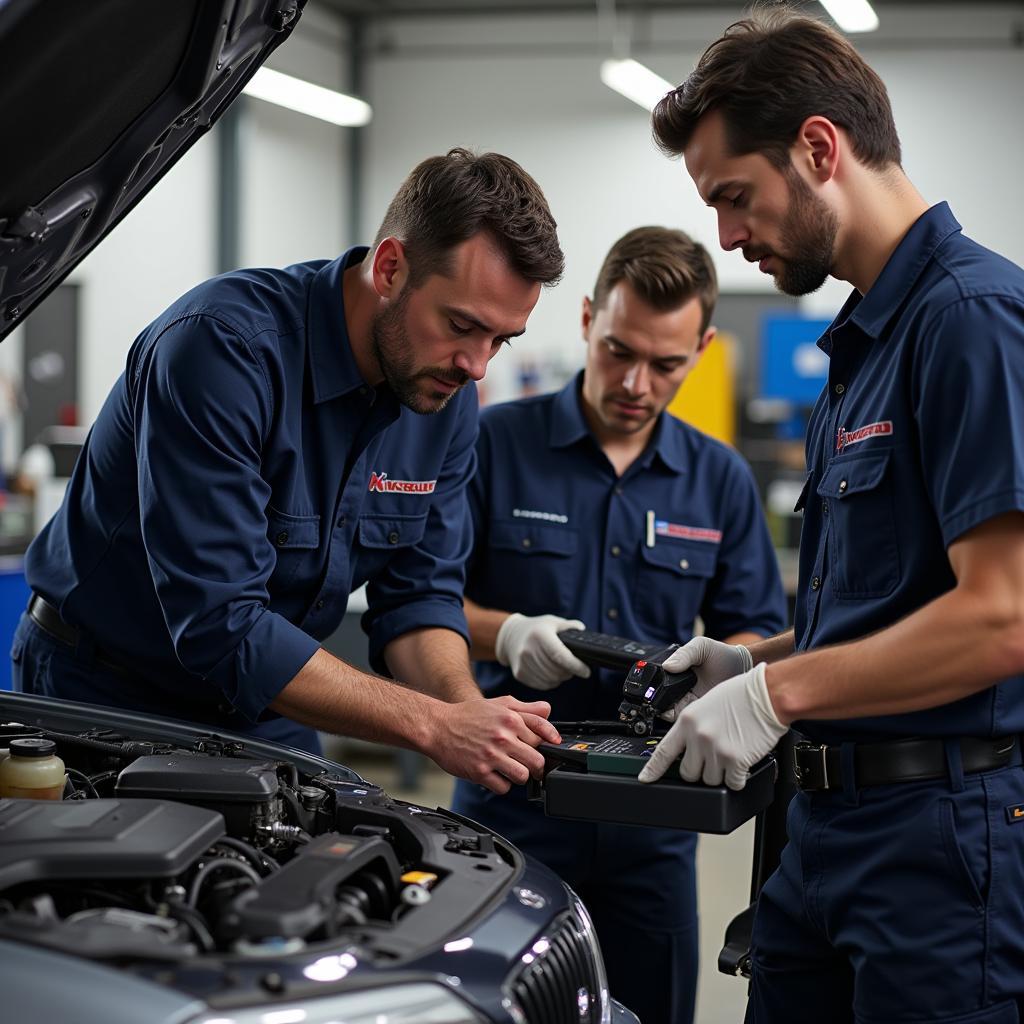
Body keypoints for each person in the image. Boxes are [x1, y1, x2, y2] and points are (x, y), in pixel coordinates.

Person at [642, 9, 1024, 1022]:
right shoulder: (860, 351)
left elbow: (1002, 617)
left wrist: (777, 694)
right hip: (821, 833)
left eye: (734, 196)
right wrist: (756, 660)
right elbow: (892, 604)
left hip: (939, 847)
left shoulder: (969, 322)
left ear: (817, 147)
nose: (724, 234)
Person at [13, 148, 565, 794]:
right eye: (462, 325)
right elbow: (222, 625)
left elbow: (419, 597)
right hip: (106, 693)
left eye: (501, 340)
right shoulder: (221, 350)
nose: (476, 364)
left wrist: (463, 710)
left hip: (267, 705)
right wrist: (433, 725)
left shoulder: (443, 400)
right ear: (390, 268)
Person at [453, 226, 787, 1024]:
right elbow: (418, 602)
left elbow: (755, 635)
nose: (636, 382)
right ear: (586, 319)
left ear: (702, 346)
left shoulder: (720, 481)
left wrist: (718, 668)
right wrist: (505, 631)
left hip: (653, 818)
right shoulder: (488, 443)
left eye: (666, 363)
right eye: (617, 350)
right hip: (511, 797)